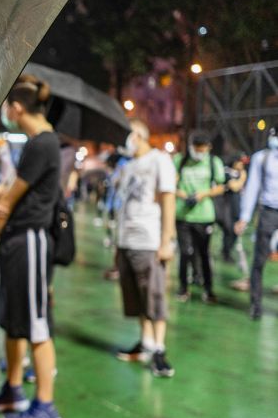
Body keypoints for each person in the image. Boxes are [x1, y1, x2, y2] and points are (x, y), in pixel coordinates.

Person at [0, 75, 63, 418]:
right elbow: (9, 191)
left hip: (30, 241)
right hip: (18, 243)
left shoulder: (44, 143)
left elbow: (7, 202)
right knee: (14, 321)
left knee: (37, 326)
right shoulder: (36, 143)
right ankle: (13, 390)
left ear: (17, 108)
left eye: (7, 107)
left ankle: (45, 406)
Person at [113, 120, 177, 377]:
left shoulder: (159, 160)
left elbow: (168, 199)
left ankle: (159, 350)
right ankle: (146, 342)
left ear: (138, 135)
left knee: (154, 297)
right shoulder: (128, 166)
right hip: (126, 240)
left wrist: (166, 241)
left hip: (149, 241)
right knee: (136, 298)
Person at [174, 133, 225, 303]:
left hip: (204, 216)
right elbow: (171, 183)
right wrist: (182, 194)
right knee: (185, 253)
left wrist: (203, 194)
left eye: (202, 149)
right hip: (183, 215)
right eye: (196, 148)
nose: (199, 152)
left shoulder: (213, 162)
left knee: (204, 253)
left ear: (208, 147)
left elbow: (221, 187)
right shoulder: (180, 160)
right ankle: (183, 288)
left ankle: (208, 289)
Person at [235, 126, 278, 320]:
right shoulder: (262, 158)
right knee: (259, 260)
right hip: (268, 212)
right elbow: (252, 187)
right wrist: (244, 217)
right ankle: (256, 304)